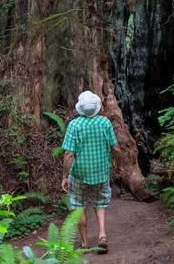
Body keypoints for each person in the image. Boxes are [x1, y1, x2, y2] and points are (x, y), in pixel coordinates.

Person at [61, 90, 123, 253]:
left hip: (79, 174)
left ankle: (84, 243)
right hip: (101, 171)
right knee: (100, 202)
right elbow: (115, 148)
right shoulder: (104, 123)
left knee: (78, 205)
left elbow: (69, 154)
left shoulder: (74, 125)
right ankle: (102, 234)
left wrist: (64, 176)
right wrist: (118, 165)